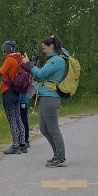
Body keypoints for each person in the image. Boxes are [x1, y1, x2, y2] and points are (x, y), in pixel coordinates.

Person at [21, 35, 70, 167]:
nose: (43, 50)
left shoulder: (57, 60)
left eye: (44, 48)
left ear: (51, 46)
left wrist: (28, 64)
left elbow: (41, 74)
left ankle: (61, 158)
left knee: (53, 129)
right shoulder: (53, 59)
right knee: (44, 129)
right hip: (45, 96)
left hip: (50, 97)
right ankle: (57, 155)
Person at [0, 40, 27, 154]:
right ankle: (23, 144)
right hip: (16, 91)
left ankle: (15, 146)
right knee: (18, 117)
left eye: (3, 51)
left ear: (6, 50)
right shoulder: (17, 58)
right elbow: (6, 71)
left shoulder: (9, 59)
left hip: (8, 91)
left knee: (11, 118)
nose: (2, 53)